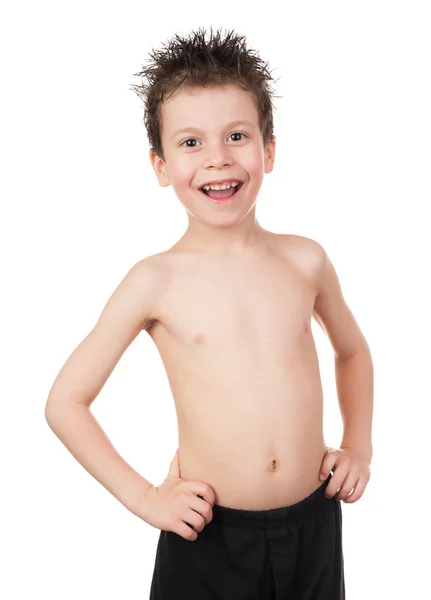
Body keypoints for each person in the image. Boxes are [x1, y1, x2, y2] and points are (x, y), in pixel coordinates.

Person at [45, 26, 374, 600]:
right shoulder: (154, 280)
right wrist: (147, 499)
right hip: (209, 533)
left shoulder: (305, 260)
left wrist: (359, 446)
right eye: (191, 143)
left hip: (314, 523)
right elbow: (65, 403)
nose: (218, 159)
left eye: (237, 135)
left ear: (269, 150)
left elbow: (353, 352)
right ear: (160, 164)